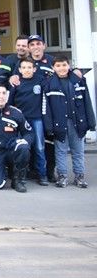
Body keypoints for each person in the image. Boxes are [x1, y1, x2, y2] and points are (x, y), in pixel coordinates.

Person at [46, 55, 95, 188]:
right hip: (59, 123)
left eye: (64, 65)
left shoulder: (78, 81)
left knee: (78, 150)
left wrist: (91, 122)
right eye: (58, 66)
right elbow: (47, 107)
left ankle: (79, 176)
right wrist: (49, 125)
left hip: (77, 122)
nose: (61, 68)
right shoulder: (49, 83)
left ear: (69, 66)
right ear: (53, 68)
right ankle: (62, 176)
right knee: (60, 151)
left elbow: (87, 102)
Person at [0, 84, 33, 192]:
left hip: (10, 150)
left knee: (22, 147)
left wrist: (25, 141)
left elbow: (29, 133)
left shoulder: (16, 113)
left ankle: (17, 179)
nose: (1, 96)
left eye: (4, 93)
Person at [9, 57, 49, 185]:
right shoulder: (16, 82)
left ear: (34, 69)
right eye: (24, 67)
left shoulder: (41, 81)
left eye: (29, 67)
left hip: (37, 119)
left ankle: (42, 174)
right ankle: (22, 174)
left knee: (39, 147)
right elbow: (9, 102)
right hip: (20, 121)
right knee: (22, 147)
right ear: (19, 70)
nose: (27, 70)